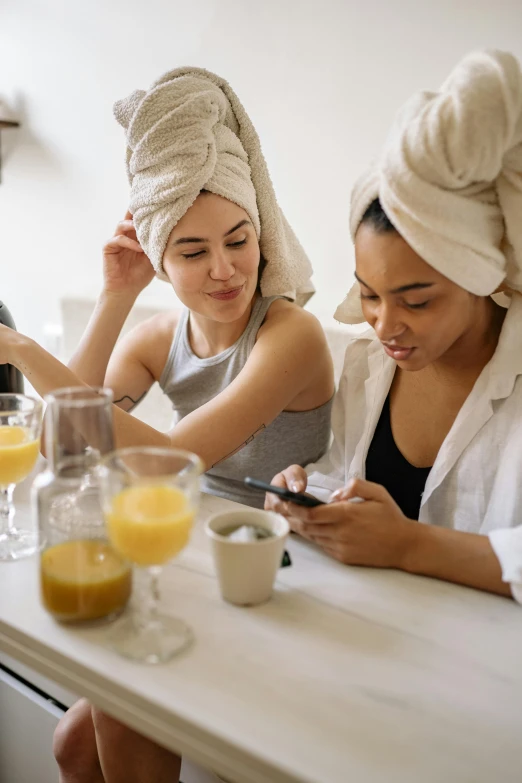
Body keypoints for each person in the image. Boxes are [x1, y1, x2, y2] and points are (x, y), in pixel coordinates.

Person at [0, 68, 334, 783]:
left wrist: (25, 350)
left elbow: (176, 458)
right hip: (187, 551)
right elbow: (73, 430)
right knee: (68, 746)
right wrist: (117, 297)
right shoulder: (160, 334)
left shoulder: (290, 333)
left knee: (121, 713)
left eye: (239, 239)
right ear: (159, 259)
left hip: (275, 568)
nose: (225, 269)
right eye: (191, 251)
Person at [267, 49, 522, 603]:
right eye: (369, 294)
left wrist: (410, 545)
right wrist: (310, 496)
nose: (386, 325)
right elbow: (348, 480)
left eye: (417, 301)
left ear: (478, 275)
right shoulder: (369, 365)